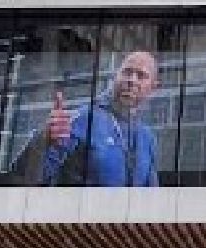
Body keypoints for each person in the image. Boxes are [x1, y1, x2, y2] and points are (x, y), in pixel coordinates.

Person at [16, 50, 160, 186]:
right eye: (127, 72)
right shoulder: (83, 119)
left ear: (153, 88)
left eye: (141, 75)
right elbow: (26, 178)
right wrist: (43, 140)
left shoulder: (147, 138)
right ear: (116, 77)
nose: (132, 80)